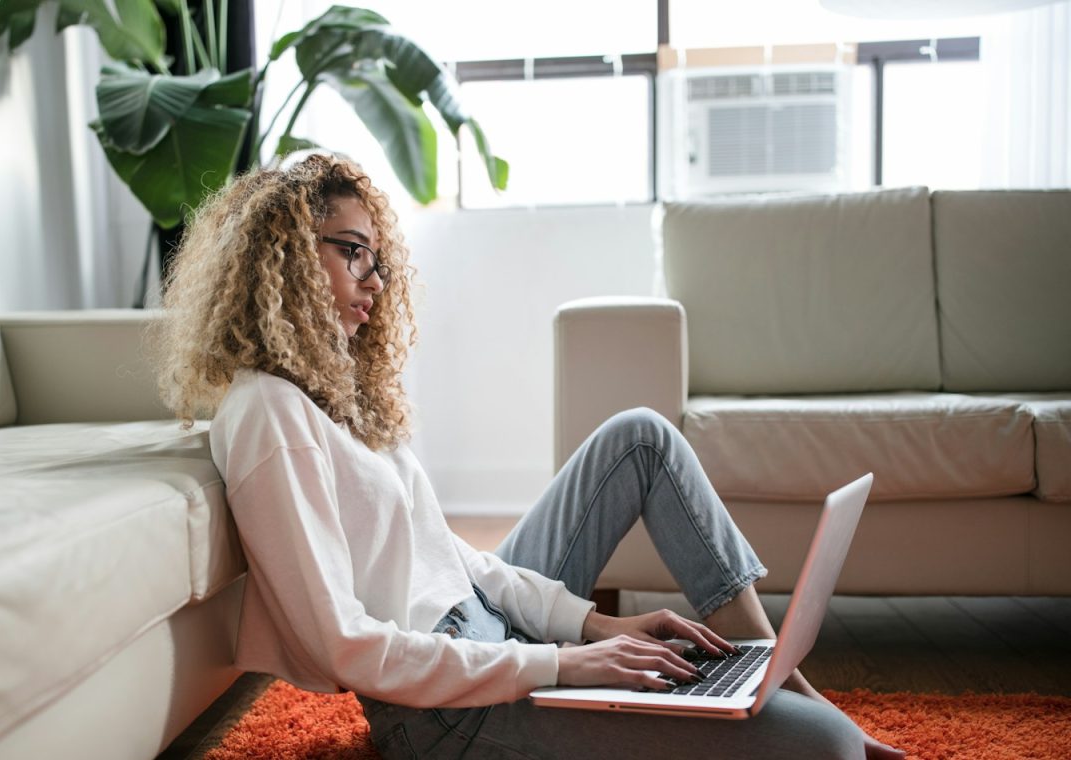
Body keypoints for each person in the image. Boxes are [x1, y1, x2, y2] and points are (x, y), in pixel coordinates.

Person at [155, 154, 902, 759]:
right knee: (828, 749)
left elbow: (454, 560)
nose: (375, 284)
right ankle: (798, 707)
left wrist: (590, 628)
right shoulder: (267, 412)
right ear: (282, 258)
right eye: (353, 253)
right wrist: (559, 664)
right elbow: (343, 645)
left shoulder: (337, 396)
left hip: (488, 634)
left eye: (378, 260)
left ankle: (775, 676)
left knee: (640, 436)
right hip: (440, 714)